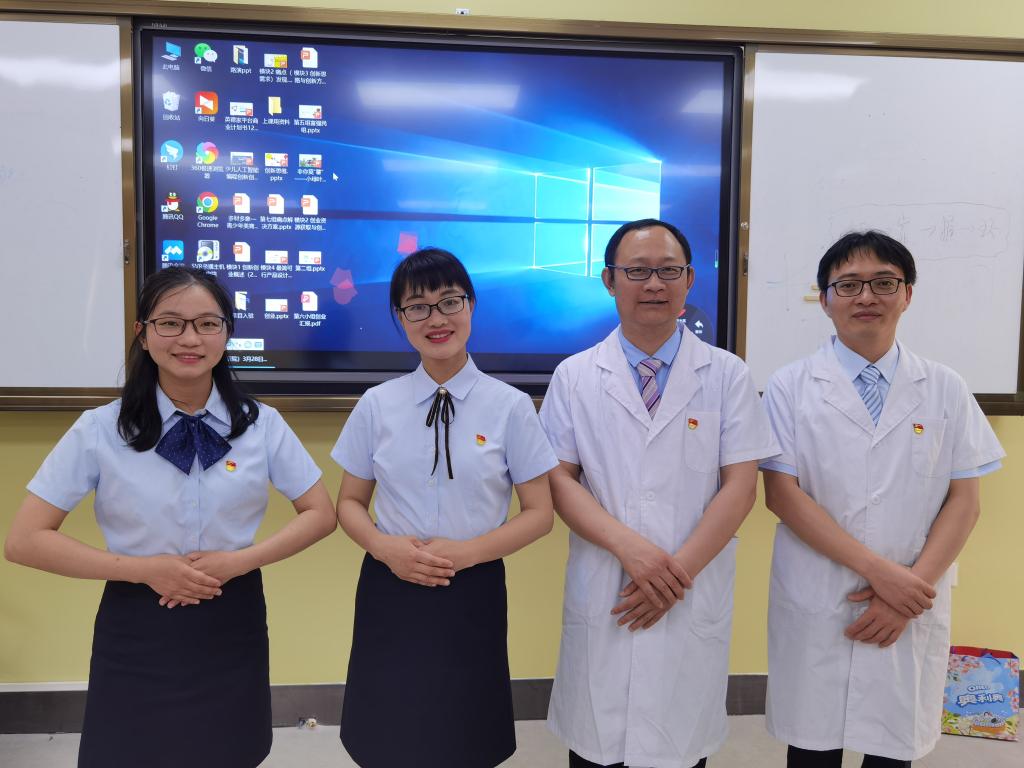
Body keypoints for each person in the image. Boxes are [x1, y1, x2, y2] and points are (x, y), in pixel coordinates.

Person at [3, 267, 337, 768]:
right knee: (131, 751)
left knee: (228, 749)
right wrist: (146, 570)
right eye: (171, 323)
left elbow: (321, 513)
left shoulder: (261, 424)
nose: (190, 338)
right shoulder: (101, 428)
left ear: (226, 333)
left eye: (207, 323)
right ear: (143, 333)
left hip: (232, 613)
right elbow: (25, 540)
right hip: (138, 618)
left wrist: (239, 562)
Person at [539, 219, 780, 768]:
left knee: (680, 745)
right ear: (609, 280)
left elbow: (741, 486)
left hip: (690, 587)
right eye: (637, 271)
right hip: (609, 582)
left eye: (668, 271)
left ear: (689, 280)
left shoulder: (727, 375)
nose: (653, 284)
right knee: (597, 747)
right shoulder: (575, 376)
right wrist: (631, 551)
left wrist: (675, 575)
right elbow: (559, 480)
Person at [760, 231, 1005, 767]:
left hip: (913, 595)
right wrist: (881, 574)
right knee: (812, 749)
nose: (866, 296)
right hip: (820, 594)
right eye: (848, 284)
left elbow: (964, 501)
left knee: (893, 749)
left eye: (884, 283)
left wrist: (904, 592)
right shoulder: (789, 386)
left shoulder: (945, 386)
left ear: (908, 294)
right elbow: (781, 495)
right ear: (825, 299)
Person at [332, 247, 557, 768]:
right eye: (418, 307)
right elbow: (349, 503)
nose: (436, 319)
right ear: (400, 318)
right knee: (388, 731)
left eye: (449, 301)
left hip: (473, 584)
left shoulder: (510, 406)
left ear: (471, 306)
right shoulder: (376, 404)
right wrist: (384, 547)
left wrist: (468, 553)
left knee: (466, 730)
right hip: (391, 582)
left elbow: (540, 513)